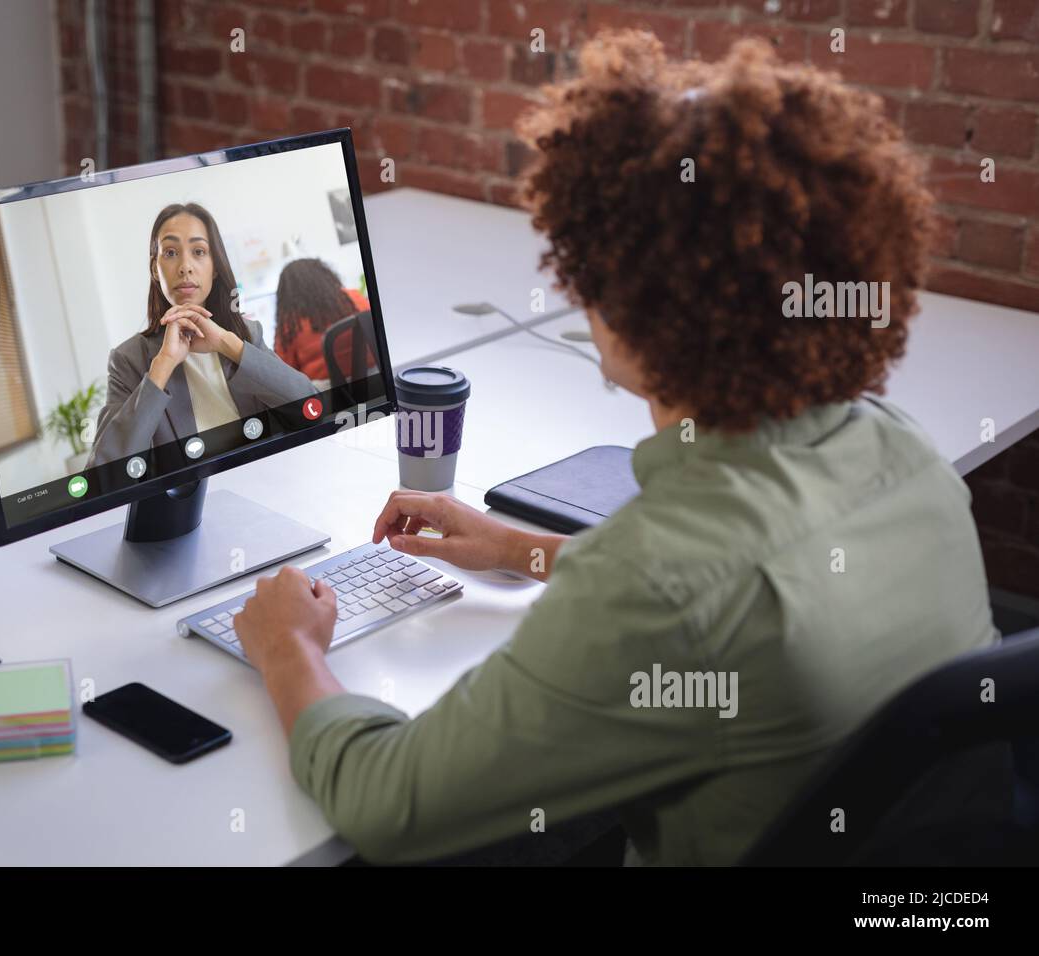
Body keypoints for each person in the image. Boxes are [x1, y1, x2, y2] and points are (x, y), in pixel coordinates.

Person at [230, 32, 999, 865]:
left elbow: (388, 804)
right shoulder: (902, 452)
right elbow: (741, 594)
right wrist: (521, 550)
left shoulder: (659, 587)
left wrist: (290, 649)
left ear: (632, 305)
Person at [87, 203, 315, 468]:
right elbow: (103, 472)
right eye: (170, 252)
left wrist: (228, 345)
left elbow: (310, 408)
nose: (185, 267)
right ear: (154, 269)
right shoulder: (128, 359)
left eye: (199, 252)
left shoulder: (246, 335)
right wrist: (162, 366)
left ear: (215, 266)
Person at [272, 258, 374, 388]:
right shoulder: (354, 298)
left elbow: (285, 373)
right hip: (374, 380)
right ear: (326, 276)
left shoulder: (291, 324)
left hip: (328, 395)